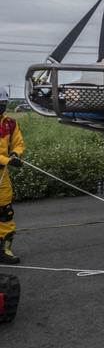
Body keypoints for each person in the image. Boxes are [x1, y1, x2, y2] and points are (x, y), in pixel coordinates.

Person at [0, 87, 25, 264]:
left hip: (2, 177)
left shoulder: (10, 123)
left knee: (5, 213)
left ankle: (4, 250)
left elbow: (18, 143)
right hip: (4, 166)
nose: (2, 107)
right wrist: (7, 160)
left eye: (3, 103)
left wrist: (15, 154)